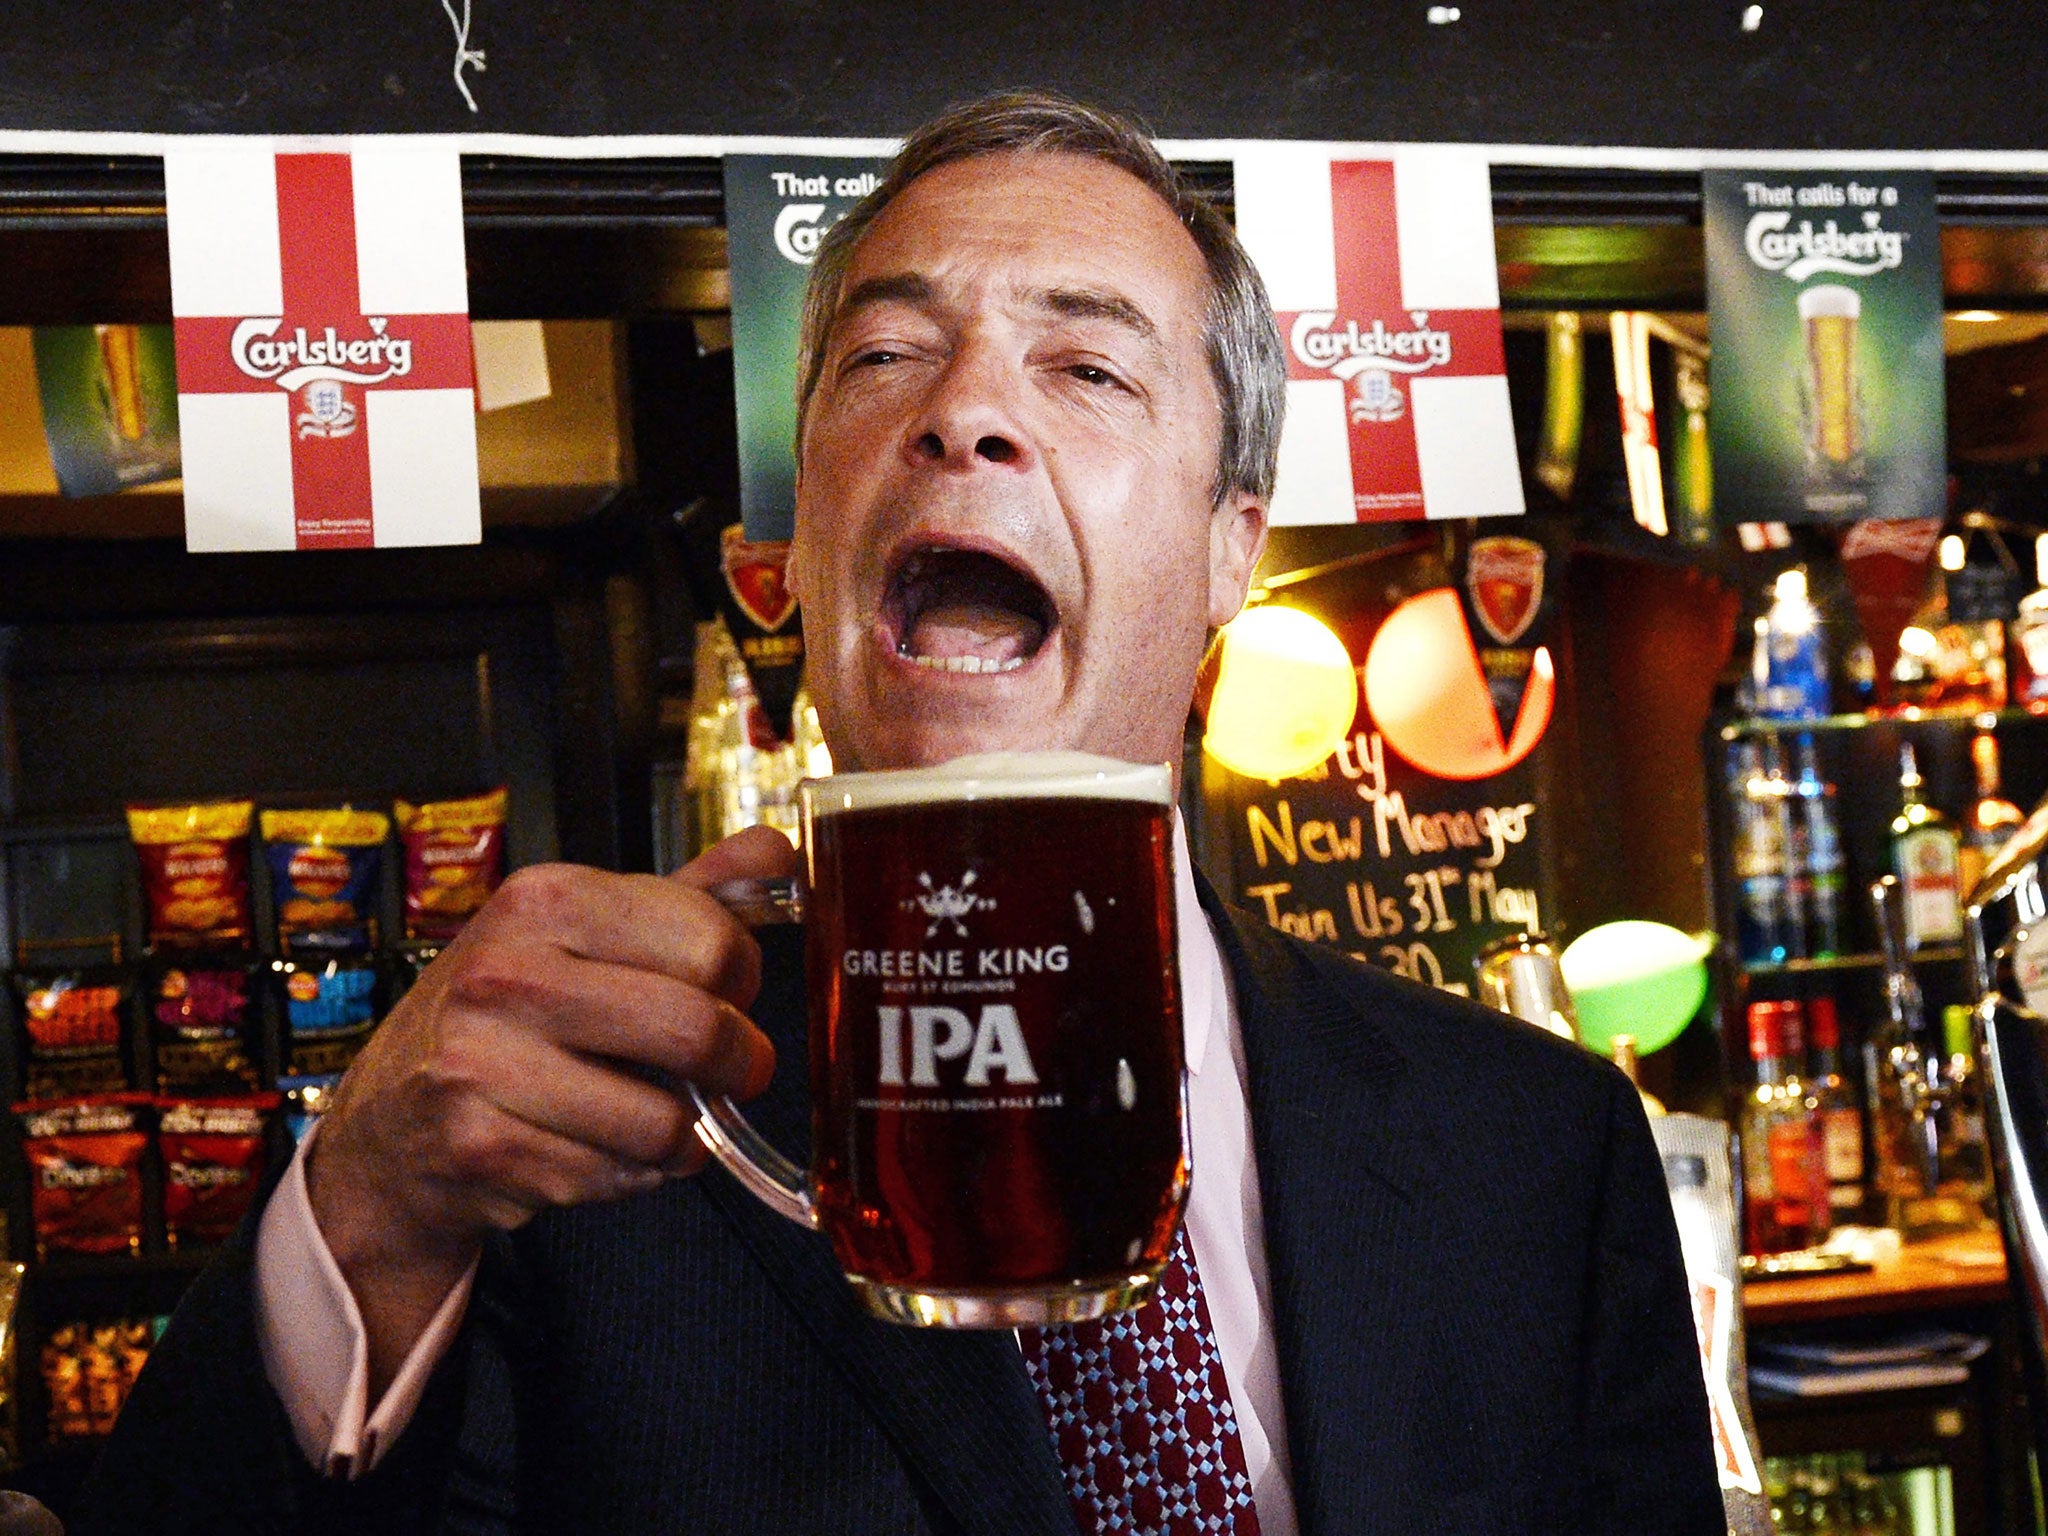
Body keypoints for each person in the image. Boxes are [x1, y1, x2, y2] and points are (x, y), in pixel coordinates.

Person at [77, 93, 1723, 1535]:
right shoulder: (556, 1158)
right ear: (799, 551)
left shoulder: (1534, 1154)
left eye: (1085, 363)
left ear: (1235, 543)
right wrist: (363, 1204)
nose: (961, 414)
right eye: (884, 356)